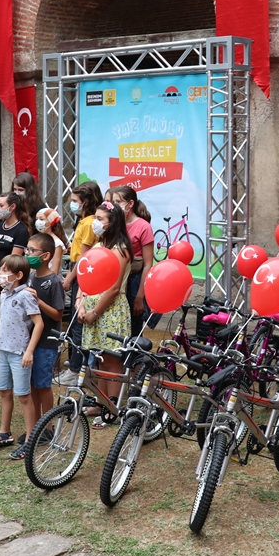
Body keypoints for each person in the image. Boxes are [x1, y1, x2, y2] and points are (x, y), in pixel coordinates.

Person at [77, 201, 132, 426]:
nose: (96, 223)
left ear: (113, 223)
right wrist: (80, 304)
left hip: (109, 310)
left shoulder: (120, 249)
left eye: (100, 219)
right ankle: (100, 403)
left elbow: (114, 288)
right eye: (95, 218)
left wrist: (95, 312)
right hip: (91, 306)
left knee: (111, 360)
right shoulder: (99, 245)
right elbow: (84, 276)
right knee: (98, 359)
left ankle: (112, 406)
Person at [0, 254, 43, 458]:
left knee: (24, 396)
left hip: (19, 352)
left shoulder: (25, 295)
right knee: (4, 391)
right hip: (4, 350)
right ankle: (4, 432)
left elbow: (39, 324)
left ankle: (30, 440)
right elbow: (6, 323)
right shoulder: (4, 294)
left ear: (19, 275)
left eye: (5, 271)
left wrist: (29, 351)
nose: (1, 275)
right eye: (0, 269)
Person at [60, 182, 101, 380]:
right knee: (75, 321)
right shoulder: (82, 221)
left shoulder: (89, 223)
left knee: (78, 322)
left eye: (75, 201)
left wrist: (70, 276)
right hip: (76, 267)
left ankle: (77, 369)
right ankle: (76, 364)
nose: (71, 204)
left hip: (80, 271)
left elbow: (84, 258)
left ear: (85, 203)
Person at [26, 232, 64, 422]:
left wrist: (38, 300)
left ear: (46, 255)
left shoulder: (54, 281)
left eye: (32, 250)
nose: (28, 254)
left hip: (47, 342)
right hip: (30, 341)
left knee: (43, 385)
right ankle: (34, 426)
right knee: (32, 385)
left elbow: (58, 314)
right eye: (27, 249)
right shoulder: (31, 276)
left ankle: (47, 426)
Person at [111, 185, 155, 336]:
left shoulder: (144, 227)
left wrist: (140, 296)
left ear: (130, 204)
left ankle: (135, 359)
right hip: (115, 280)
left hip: (134, 281)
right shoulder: (114, 224)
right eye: (113, 201)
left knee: (134, 329)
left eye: (118, 201)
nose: (114, 205)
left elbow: (148, 264)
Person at [0, 193, 30, 261]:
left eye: (1, 206)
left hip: (8, 268)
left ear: (12, 206)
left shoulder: (21, 231)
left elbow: (14, 259)